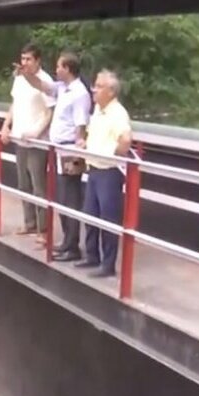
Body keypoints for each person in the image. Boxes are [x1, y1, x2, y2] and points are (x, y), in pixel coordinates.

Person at [21, 52, 92, 261]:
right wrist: (27, 74)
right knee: (62, 198)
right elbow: (42, 86)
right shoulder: (62, 88)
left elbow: (81, 125)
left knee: (70, 198)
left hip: (70, 151)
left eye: (59, 66)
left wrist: (78, 156)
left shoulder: (80, 93)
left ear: (68, 69)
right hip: (59, 149)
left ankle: (72, 247)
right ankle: (67, 242)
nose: (56, 70)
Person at [74, 69, 132, 277]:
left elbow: (125, 141)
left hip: (109, 171)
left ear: (111, 91)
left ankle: (108, 265)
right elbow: (94, 135)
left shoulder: (118, 113)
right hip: (94, 169)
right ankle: (92, 256)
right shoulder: (98, 109)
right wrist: (85, 143)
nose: (93, 90)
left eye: (98, 87)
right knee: (90, 214)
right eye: (94, 85)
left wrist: (111, 154)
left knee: (108, 218)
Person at [0, 43, 55, 244]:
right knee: (23, 183)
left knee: (38, 185)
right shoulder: (20, 79)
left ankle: (43, 228)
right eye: (22, 59)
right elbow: (15, 104)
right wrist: (6, 125)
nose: (25, 63)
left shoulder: (45, 81)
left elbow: (50, 111)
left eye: (29, 59)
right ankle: (29, 222)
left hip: (36, 141)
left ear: (38, 60)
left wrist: (36, 131)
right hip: (19, 138)